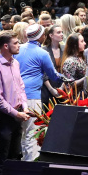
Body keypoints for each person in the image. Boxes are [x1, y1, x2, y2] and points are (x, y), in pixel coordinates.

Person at [15, 22, 61, 159]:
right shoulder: (42, 53)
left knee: (22, 133)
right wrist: (65, 79)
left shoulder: (18, 49)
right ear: (41, 37)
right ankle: (30, 165)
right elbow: (53, 75)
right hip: (31, 97)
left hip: (15, 97)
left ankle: (24, 162)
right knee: (32, 132)